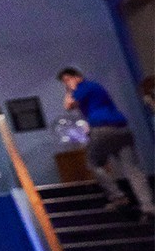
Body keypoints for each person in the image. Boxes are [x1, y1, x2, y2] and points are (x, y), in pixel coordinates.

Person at [59, 67, 155, 220]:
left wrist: (70, 89)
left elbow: (68, 105)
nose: (66, 83)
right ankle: (149, 207)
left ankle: (118, 197)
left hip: (103, 131)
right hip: (122, 129)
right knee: (133, 170)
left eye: (66, 80)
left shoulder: (83, 87)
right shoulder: (96, 87)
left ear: (76, 77)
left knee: (94, 163)